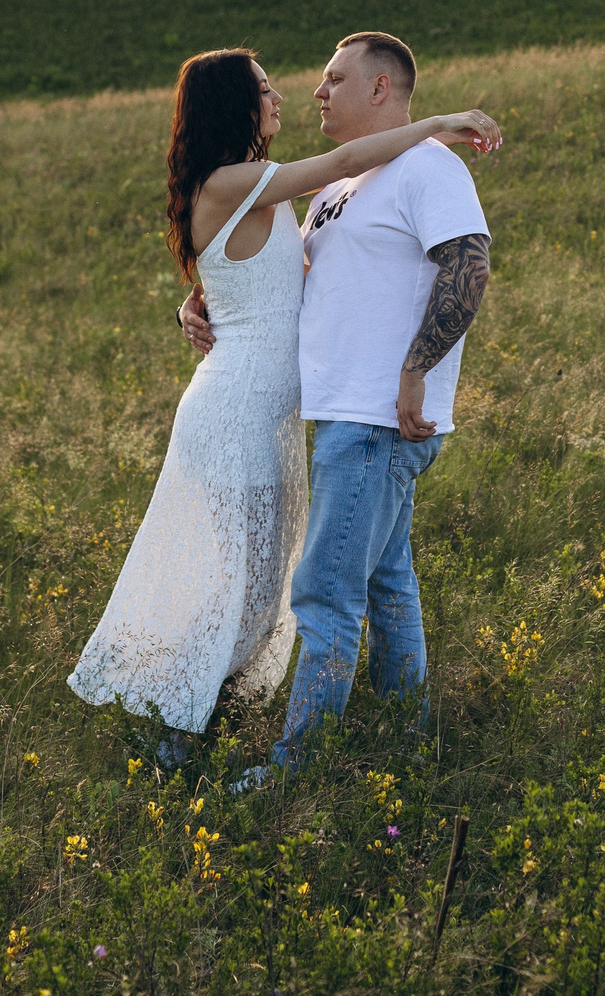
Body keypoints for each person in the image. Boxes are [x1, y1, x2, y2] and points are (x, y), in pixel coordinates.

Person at [68, 46, 499, 755]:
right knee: (235, 584)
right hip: (240, 411)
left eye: (328, 80)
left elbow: (279, 274)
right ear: (233, 106)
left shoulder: (266, 193)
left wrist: (200, 298)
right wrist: (437, 123)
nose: (287, 98)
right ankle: (178, 731)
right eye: (265, 90)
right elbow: (338, 164)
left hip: (281, 415)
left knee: (272, 585)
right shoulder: (243, 180)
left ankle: (231, 719)